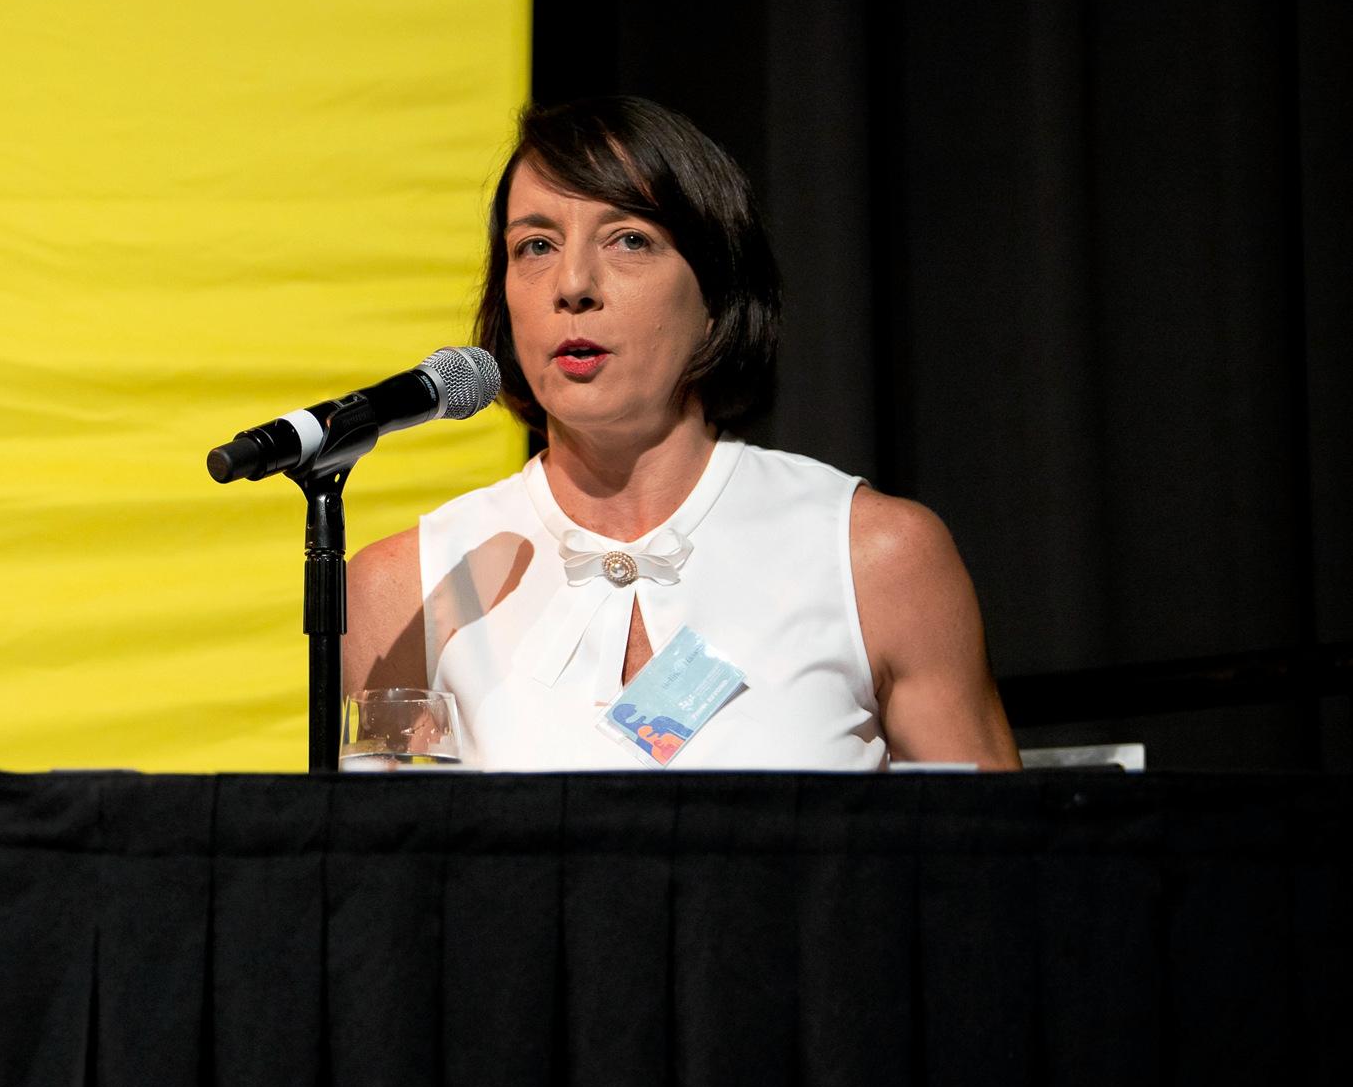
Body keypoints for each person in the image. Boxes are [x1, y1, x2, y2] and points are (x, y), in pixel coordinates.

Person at [344, 96, 1017, 769]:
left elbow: (996, 862)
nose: (573, 284)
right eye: (536, 246)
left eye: (629, 239)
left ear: (716, 298)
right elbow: (377, 868)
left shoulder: (877, 558)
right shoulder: (408, 588)